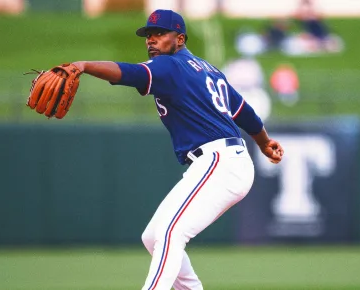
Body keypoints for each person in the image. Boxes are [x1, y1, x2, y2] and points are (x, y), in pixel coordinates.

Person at [70, 9, 284, 290]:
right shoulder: (206, 68)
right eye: (148, 35)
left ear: (180, 38)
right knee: (154, 236)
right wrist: (264, 142)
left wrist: (84, 65)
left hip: (220, 162)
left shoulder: (169, 66)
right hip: (221, 162)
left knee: (171, 232)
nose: (151, 40)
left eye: (159, 34)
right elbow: (242, 110)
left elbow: (130, 73)